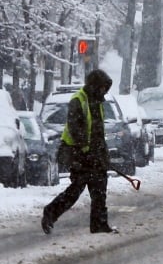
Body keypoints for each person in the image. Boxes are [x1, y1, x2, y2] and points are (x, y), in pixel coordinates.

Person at [42, 69, 117, 234]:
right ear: (94, 85)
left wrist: (102, 154)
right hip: (78, 154)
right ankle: (50, 212)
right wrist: (86, 151)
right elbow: (76, 130)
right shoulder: (78, 100)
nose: (104, 91)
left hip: (94, 155)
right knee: (75, 190)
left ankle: (99, 224)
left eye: (106, 88)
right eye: (102, 87)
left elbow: (98, 131)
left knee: (99, 190)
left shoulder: (98, 102)